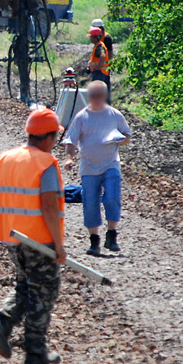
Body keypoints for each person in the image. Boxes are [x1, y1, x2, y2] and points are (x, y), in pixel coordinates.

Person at [0, 108, 67, 364]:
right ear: (46, 137)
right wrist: (59, 245)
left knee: (25, 286)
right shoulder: (45, 163)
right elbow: (49, 207)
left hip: (12, 240)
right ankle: (35, 352)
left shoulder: (5, 159)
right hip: (40, 242)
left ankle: (3, 322)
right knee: (44, 291)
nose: (55, 144)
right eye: (55, 138)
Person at [62, 81, 131, 256]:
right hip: (89, 167)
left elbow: (127, 135)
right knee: (90, 202)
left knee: (112, 197)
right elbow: (71, 140)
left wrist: (118, 139)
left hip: (110, 164)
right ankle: (94, 241)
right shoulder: (82, 117)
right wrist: (69, 158)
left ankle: (112, 235)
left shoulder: (115, 115)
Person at [87, 27, 111, 101]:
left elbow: (102, 56)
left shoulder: (99, 46)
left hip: (99, 73)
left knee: (97, 94)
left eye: (91, 36)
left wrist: (98, 66)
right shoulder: (98, 45)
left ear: (95, 37)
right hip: (101, 73)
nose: (90, 38)